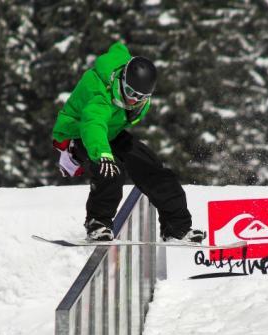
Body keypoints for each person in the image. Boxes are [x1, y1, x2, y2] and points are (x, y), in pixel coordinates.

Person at [52, 41, 205, 243]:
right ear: (122, 80)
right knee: (110, 170)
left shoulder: (137, 96)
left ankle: (176, 228)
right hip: (78, 134)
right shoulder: (101, 92)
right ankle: (97, 223)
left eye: (141, 97)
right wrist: (102, 153)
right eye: (130, 93)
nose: (133, 100)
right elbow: (93, 123)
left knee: (153, 168)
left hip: (110, 132)